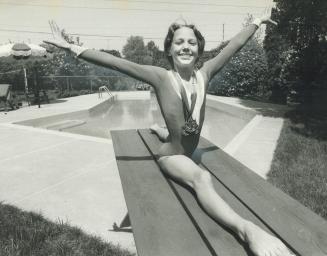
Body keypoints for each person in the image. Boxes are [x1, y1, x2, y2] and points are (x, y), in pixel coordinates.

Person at [45, 13, 294, 256]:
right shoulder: (161, 78)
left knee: (172, 134)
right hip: (172, 156)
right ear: (169, 50)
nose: (185, 47)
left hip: (186, 146)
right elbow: (116, 63)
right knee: (201, 178)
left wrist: (255, 23)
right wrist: (70, 47)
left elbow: (234, 46)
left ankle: (159, 129)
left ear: (199, 49)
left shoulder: (204, 75)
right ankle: (246, 229)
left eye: (191, 42)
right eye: (179, 42)